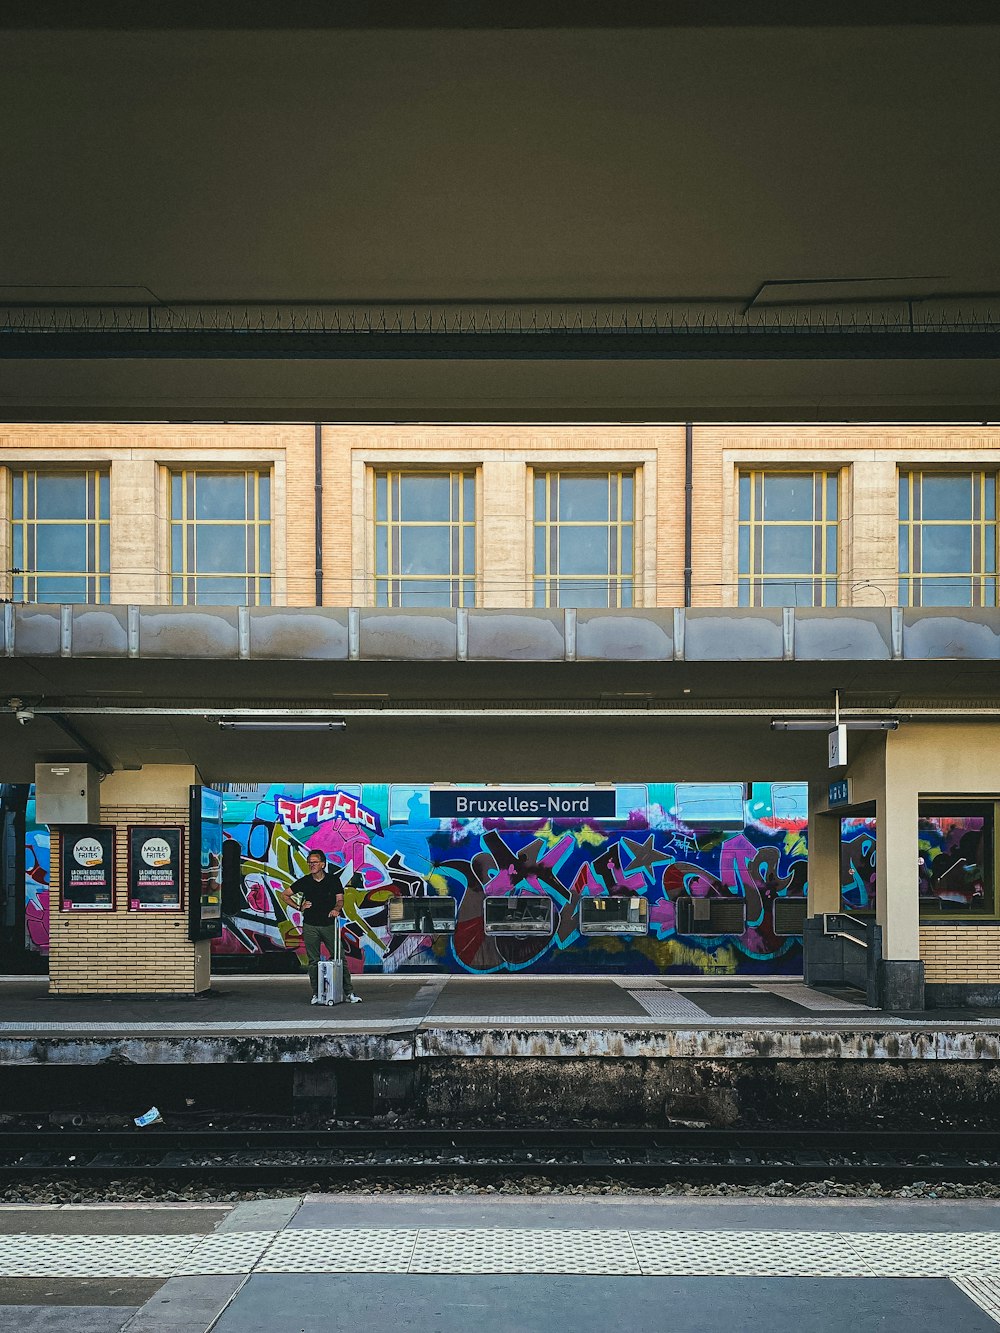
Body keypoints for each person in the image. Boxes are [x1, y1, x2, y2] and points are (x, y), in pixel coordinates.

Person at [280, 849, 362, 1005]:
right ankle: (317, 993)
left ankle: (349, 992)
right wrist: (299, 907)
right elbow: (284, 895)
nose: (311, 865)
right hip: (310, 925)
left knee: (339, 958)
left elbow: (340, 900)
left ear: (323, 864)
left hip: (329, 924)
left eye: (315, 862)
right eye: (310, 862)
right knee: (313, 961)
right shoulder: (305, 881)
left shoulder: (333, 880)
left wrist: (336, 910)